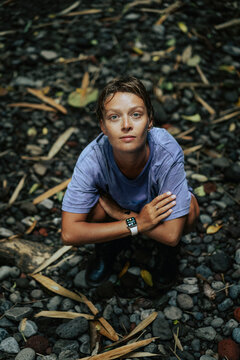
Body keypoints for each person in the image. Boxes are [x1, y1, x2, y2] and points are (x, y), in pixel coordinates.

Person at [61, 76, 199, 289]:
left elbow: (171, 235)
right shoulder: (92, 158)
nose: (126, 125)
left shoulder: (166, 151)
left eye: (136, 115)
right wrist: (136, 224)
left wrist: (124, 216)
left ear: (150, 120)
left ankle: (166, 256)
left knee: (189, 210)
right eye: (114, 117)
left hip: (155, 210)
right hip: (120, 209)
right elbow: (69, 233)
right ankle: (107, 249)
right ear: (103, 126)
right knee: (93, 209)